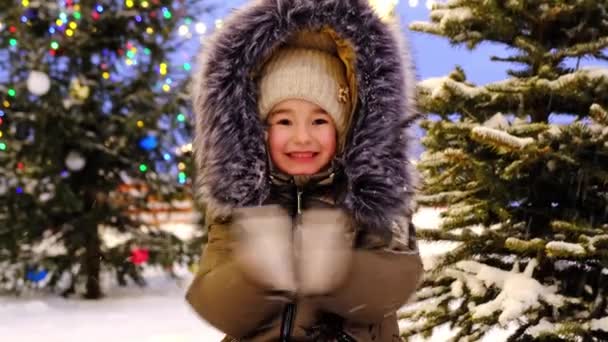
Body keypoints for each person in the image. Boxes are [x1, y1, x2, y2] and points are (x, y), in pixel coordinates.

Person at [187, 0, 423, 341]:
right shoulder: (242, 207)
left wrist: (338, 270)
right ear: (259, 128)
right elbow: (215, 303)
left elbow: (396, 280)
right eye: (283, 120)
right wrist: (255, 272)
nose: (301, 137)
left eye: (319, 120)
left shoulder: (370, 199)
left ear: (343, 129)